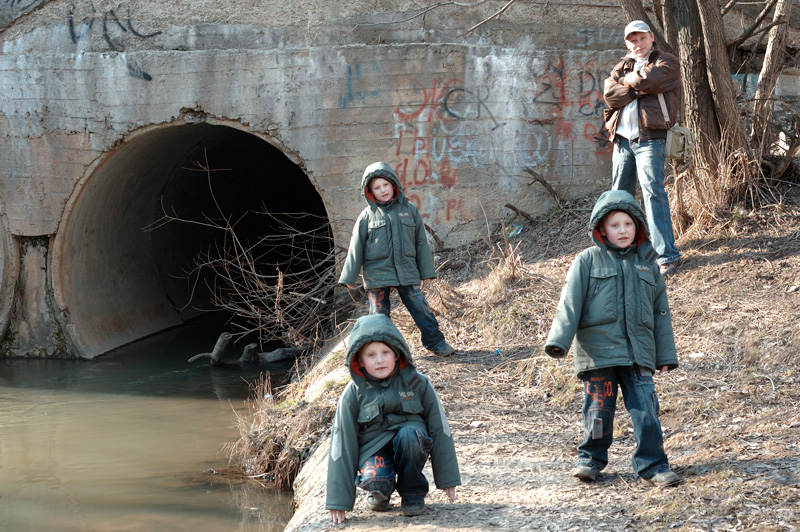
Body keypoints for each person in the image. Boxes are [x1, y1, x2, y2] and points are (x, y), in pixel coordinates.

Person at [544, 189, 681, 487]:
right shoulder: (588, 261)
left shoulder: (648, 266)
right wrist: (559, 340)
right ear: (602, 229)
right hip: (598, 351)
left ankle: (653, 466)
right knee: (598, 410)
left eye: (628, 224)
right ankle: (590, 460)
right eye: (615, 225)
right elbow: (571, 302)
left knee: (647, 410)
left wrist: (665, 356)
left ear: (639, 228)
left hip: (638, 353)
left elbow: (661, 314)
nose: (622, 230)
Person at [326, 313, 460, 523]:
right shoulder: (353, 393)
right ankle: (380, 491)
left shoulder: (418, 383)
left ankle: (412, 493)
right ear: (359, 360)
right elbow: (342, 443)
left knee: (409, 436)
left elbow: (439, 427)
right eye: (371, 355)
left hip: (410, 443)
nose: (379, 360)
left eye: (385, 352)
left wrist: (447, 478)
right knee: (376, 478)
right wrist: (338, 500)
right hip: (373, 449)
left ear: (397, 354)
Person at [339, 161, 455, 356]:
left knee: (421, 308)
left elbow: (421, 243)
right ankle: (383, 351)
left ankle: (436, 343)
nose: (383, 190)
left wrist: (426, 273)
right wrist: (348, 278)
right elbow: (356, 246)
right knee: (378, 317)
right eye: (377, 187)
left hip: (406, 272)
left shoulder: (409, 210)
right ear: (370, 192)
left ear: (393, 184)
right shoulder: (367, 216)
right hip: (377, 275)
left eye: (385, 185)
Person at [603, 19, 682, 277]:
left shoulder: (666, 60)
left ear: (651, 37)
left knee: (653, 193)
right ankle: (623, 252)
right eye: (632, 40)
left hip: (650, 137)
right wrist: (636, 86)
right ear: (627, 43)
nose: (638, 44)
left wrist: (630, 83)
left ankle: (667, 256)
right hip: (622, 140)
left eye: (642, 39)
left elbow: (654, 80)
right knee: (620, 197)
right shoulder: (622, 66)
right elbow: (610, 95)